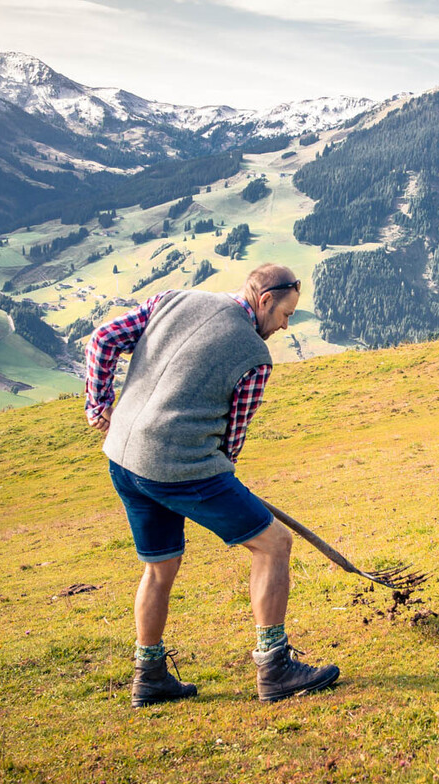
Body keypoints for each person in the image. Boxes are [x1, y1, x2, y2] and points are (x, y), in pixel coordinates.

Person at [85, 264, 339, 707]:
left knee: (160, 567)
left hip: (123, 459)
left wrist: (99, 405)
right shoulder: (254, 357)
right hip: (180, 466)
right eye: (285, 314)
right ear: (264, 301)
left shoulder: (172, 299)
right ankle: (275, 667)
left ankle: (149, 677)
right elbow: (230, 442)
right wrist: (220, 477)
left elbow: (103, 338)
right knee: (274, 544)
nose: (285, 325)